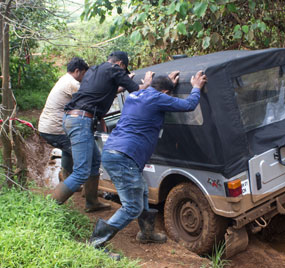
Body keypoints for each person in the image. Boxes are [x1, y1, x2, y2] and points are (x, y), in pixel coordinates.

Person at [89, 70, 208, 257]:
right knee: (132, 206)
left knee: (142, 190)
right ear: (166, 93)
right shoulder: (158, 98)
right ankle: (96, 243)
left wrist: (153, 82)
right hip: (125, 157)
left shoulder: (134, 95)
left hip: (114, 152)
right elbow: (189, 105)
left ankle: (147, 233)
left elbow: (148, 89)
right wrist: (196, 87)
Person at [50, 51, 154, 213]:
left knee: (94, 162)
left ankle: (92, 203)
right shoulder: (115, 70)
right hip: (81, 121)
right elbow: (136, 91)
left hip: (72, 118)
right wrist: (146, 83)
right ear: (121, 64)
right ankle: (47, 206)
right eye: (123, 70)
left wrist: (121, 84)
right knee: (81, 172)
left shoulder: (93, 71)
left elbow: (103, 92)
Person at [38, 57, 89, 179]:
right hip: (54, 129)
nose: (84, 78)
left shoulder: (64, 79)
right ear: (77, 71)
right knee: (83, 155)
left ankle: (65, 177)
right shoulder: (73, 83)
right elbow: (88, 99)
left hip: (46, 127)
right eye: (83, 74)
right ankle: (71, 186)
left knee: (68, 150)